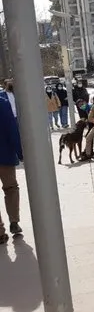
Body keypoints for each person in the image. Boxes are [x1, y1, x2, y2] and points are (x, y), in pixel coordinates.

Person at [0, 90, 23, 244]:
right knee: (11, 188)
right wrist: (20, 152)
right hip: (4, 155)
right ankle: (14, 221)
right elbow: (12, 128)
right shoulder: (2, 102)